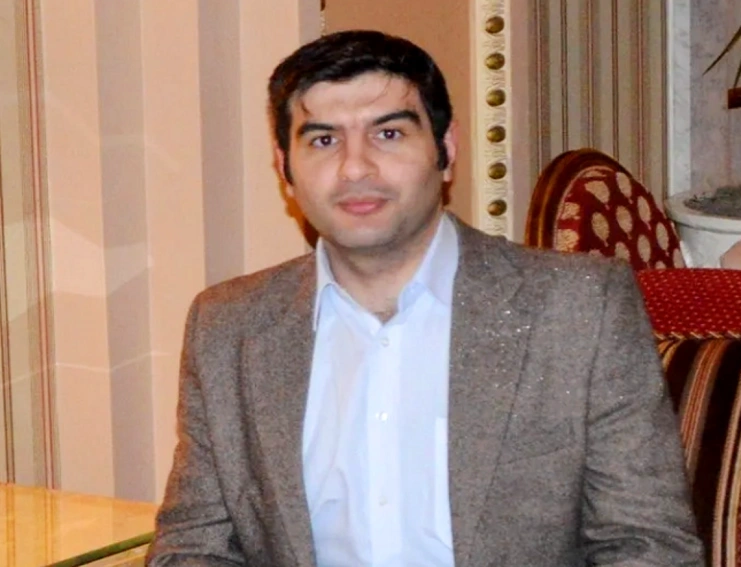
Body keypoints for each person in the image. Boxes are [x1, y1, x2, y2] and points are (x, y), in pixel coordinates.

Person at [146, 30, 703, 567]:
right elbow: (195, 546)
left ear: (446, 149)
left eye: (388, 133)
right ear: (284, 168)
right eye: (323, 140)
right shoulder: (229, 328)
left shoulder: (579, 309)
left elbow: (648, 547)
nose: (355, 167)